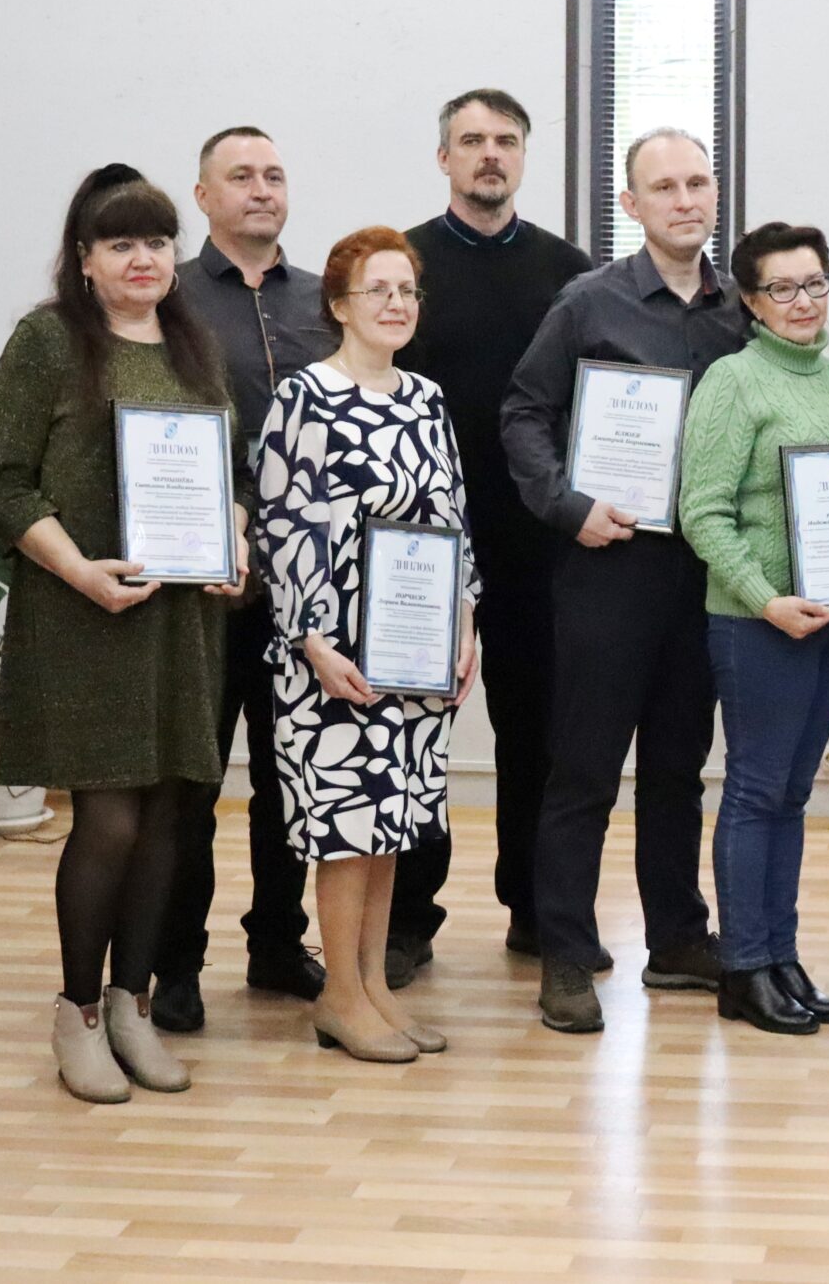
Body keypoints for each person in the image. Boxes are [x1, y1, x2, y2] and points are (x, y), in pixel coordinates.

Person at [0, 164, 251, 1104]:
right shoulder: (49, 340)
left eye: (158, 241)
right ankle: (78, 1012)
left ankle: (133, 1003)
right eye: (121, 243)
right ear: (86, 260)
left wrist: (235, 544)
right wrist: (81, 570)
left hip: (181, 620)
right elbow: (6, 482)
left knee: (176, 810)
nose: (144, 258)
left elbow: (231, 475)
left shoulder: (193, 345)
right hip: (84, 613)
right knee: (109, 817)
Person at [499, 128, 745, 1032]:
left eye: (698, 182)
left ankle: (677, 937)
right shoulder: (587, 304)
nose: (685, 199)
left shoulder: (741, 311)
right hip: (608, 565)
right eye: (664, 187)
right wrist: (568, 505)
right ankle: (566, 952)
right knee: (584, 770)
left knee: (679, 767)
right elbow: (525, 411)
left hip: (704, 573)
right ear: (630, 206)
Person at [677, 222, 829, 1034]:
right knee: (754, 789)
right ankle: (743, 967)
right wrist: (764, 597)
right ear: (750, 301)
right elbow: (700, 512)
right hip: (760, 623)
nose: (803, 301)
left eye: (815, 283)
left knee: (792, 793)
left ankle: (781, 953)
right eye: (782, 288)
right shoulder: (732, 382)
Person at [256, 226, 479, 1063]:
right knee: (346, 827)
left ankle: (376, 986)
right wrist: (312, 639)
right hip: (335, 654)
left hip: (415, 649)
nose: (396, 304)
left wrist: (466, 619)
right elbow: (283, 528)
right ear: (339, 305)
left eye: (407, 291)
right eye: (378, 290)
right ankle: (340, 997)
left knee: (390, 825)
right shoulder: (305, 397)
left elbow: (453, 517)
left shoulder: (425, 397)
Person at [392, 88, 595, 983]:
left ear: (524, 156)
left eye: (505, 141)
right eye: (471, 140)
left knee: (538, 736)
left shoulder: (573, 271)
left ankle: (534, 908)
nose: (489, 155)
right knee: (410, 738)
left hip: (537, 544)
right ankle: (405, 919)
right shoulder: (401, 266)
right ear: (443, 158)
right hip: (419, 543)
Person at [151, 127, 334, 1034]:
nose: (261, 189)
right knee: (192, 782)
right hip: (203, 583)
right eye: (241, 176)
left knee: (290, 776)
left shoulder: (322, 300)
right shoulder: (170, 296)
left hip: (305, 586)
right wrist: (230, 527)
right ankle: (177, 962)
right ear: (202, 195)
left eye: (274, 173)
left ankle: (276, 944)